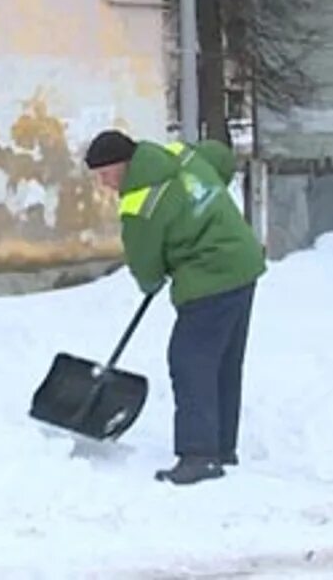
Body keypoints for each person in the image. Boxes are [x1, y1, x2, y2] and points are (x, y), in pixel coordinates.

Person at [82, 129, 265, 486]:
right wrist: (205, 207)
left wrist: (154, 279)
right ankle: (222, 448)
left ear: (124, 165)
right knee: (224, 362)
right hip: (243, 264)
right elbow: (220, 157)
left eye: (106, 174)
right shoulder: (180, 155)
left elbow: (145, 266)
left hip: (209, 277)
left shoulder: (140, 203)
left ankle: (198, 456)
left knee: (190, 362)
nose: (104, 184)